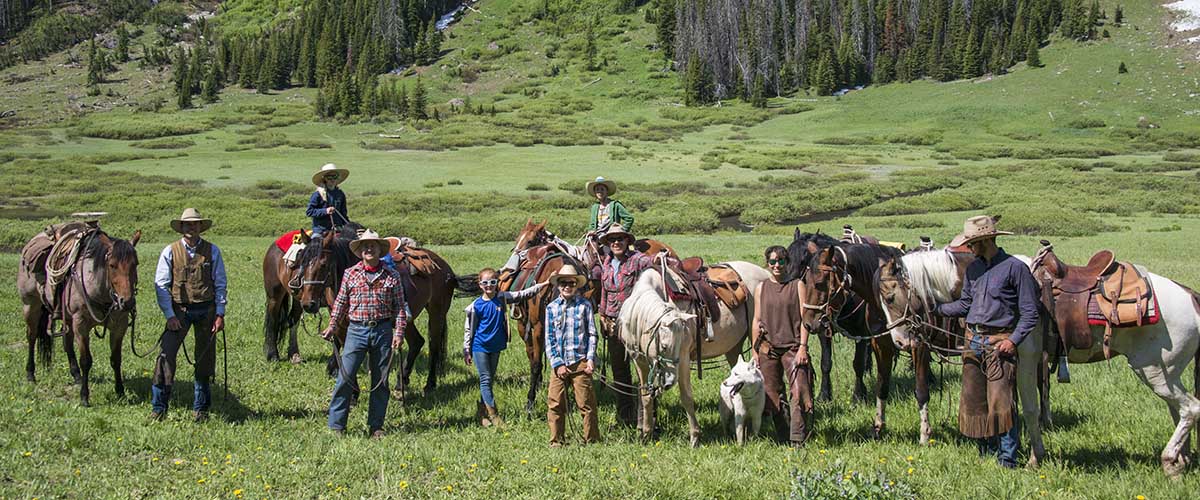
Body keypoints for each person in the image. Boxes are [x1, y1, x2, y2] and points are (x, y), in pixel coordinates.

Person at [935, 215, 1039, 468]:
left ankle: (1007, 458)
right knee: (975, 400)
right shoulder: (973, 269)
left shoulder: (1015, 268)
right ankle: (986, 449)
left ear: (986, 240)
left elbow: (1030, 313)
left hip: (999, 342)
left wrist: (1013, 341)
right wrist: (936, 308)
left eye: (972, 243)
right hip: (973, 341)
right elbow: (965, 305)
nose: (969, 248)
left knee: (1001, 402)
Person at [321, 229, 408, 438]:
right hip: (356, 330)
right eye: (365, 246)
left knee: (381, 381)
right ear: (360, 251)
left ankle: (376, 426)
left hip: (383, 330)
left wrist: (399, 333)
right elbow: (340, 302)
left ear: (379, 250)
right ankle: (337, 425)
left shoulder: (392, 275)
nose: (369, 249)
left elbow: (400, 308)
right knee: (345, 377)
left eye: (373, 246)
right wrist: (332, 325)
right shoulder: (350, 273)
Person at [151, 208, 228, 422]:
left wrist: (220, 314)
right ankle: (159, 408)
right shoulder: (169, 251)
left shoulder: (213, 251)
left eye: (195, 224)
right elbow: (161, 285)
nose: (191, 227)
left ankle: (201, 409)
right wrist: (169, 315)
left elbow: (220, 283)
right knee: (165, 356)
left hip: (207, 310)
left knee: (205, 359)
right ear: (181, 227)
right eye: (187, 224)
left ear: (200, 227)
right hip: (179, 311)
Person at [463, 268, 547, 427]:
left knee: (489, 379)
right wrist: (466, 349)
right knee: (485, 379)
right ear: (480, 285)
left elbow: (523, 294)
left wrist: (543, 284)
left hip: (496, 345)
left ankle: (482, 412)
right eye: (485, 283)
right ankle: (494, 415)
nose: (489, 285)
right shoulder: (475, 306)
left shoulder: (502, 298)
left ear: (497, 283)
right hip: (480, 346)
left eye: (493, 282)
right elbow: (469, 329)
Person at [750, 245, 813, 446]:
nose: (777, 265)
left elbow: (805, 319)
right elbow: (756, 320)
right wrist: (755, 351)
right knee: (772, 394)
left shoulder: (797, 285)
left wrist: (803, 347)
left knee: (799, 391)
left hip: (793, 346)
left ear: (787, 263)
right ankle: (783, 435)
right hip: (768, 348)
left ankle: (798, 438)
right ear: (767, 263)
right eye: (773, 261)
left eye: (781, 261)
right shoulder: (761, 288)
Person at [595, 225, 657, 426]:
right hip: (613, 325)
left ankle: (648, 418)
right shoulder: (606, 263)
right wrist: (602, 315)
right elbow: (605, 292)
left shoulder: (636, 259)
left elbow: (651, 261)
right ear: (608, 243)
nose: (616, 242)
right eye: (612, 239)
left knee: (643, 371)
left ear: (627, 241)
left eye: (620, 238)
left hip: (635, 325)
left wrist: (660, 257)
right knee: (619, 371)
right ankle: (624, 416)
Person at [544, 264, 600, 447]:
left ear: (576, 285)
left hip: (580, 361)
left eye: (571, 283)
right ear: (558, 285)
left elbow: (592, 334)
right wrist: (557, 363)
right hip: (559, 363)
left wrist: (590, 359)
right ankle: (556, 441)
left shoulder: (584, 306)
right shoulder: (551, 308)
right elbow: (549, 338)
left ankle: (592, 440)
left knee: (586, 403)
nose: (567, 287)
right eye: (563, 283)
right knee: (555, 403)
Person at [307, 163, 349, 237]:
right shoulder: (318, 194)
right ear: (325, 179)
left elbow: (343, 214)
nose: (332, 179)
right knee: (315, 242)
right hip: (321, 231)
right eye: (329, 177)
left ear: (337, 178)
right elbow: (309, 211)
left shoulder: (340, 194)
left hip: (338, 229)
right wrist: (325, 211)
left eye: (334, 176)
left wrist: (349, 225)